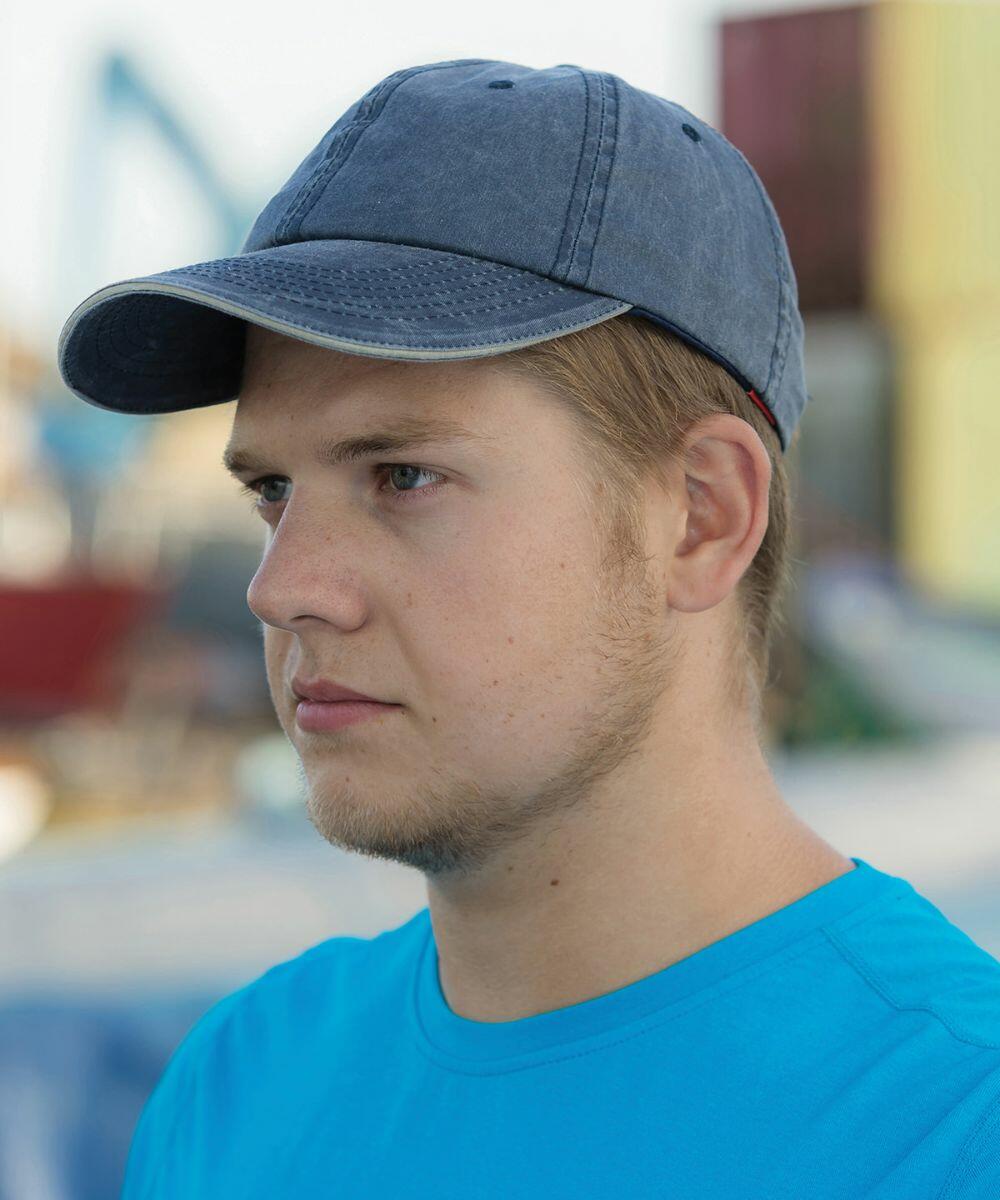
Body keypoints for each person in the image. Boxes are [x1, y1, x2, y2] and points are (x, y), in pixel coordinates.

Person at [58, 58, 1000, 1199]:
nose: (282, 585)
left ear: (701, 516)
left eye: (402, 475)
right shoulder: (241, 1080)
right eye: (272, 491)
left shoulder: (947, 1127)